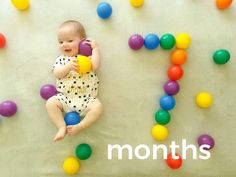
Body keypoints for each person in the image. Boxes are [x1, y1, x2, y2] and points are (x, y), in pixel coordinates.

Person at [46, 20, 103, 142]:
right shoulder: (61, 60)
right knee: (50, 103)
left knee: (98, 107)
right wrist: (67, 67)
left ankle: (80, 126)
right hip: (65, 98)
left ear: (83, 41)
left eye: (70, 41)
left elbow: (96, 65)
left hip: (87, 99)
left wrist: (96, 49)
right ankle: (61, 126)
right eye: (60, 42)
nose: (64, 44)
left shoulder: (87, 58)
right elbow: (57, 73)